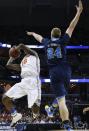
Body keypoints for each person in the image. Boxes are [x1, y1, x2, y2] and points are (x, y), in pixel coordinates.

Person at [26, 0, 83, 130]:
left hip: (54, 72)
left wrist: (32, 33)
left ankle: (67, 125)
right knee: (62, 96)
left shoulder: (46, 42)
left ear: (51, 35)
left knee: (62, 100)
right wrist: (79, 12)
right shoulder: (63, 40)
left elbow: (38, 36)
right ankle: (51, 109)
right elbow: (72, 26)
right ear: (59, 35)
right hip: (66, 70)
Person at [2, 44, 41, 127]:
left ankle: (35, 113)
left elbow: (22, 45)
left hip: (34, 81)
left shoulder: (34, 55)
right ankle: (15, 115)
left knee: (34, 108)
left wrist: (16, 48)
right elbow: (8, 65)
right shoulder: (22, 63)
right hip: (23, 81)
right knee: (5, 98)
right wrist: (12, 56)